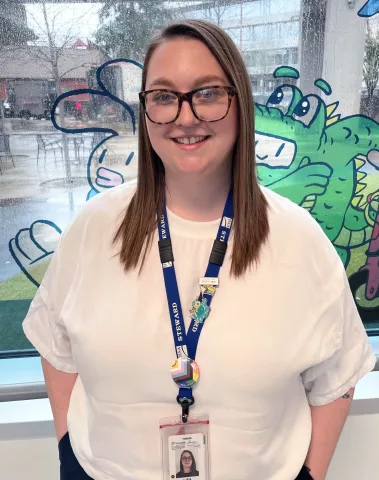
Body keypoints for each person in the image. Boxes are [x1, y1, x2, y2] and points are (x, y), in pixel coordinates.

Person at [22, 19, 376, 480]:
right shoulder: (94, 228)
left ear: (239, 103)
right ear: (146, 109)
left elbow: (337, 379)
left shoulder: (299, 239)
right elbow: (55, 344)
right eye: (164, 96)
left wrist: (311, 476)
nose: (185, 116)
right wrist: (70, 450)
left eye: (207, 93)